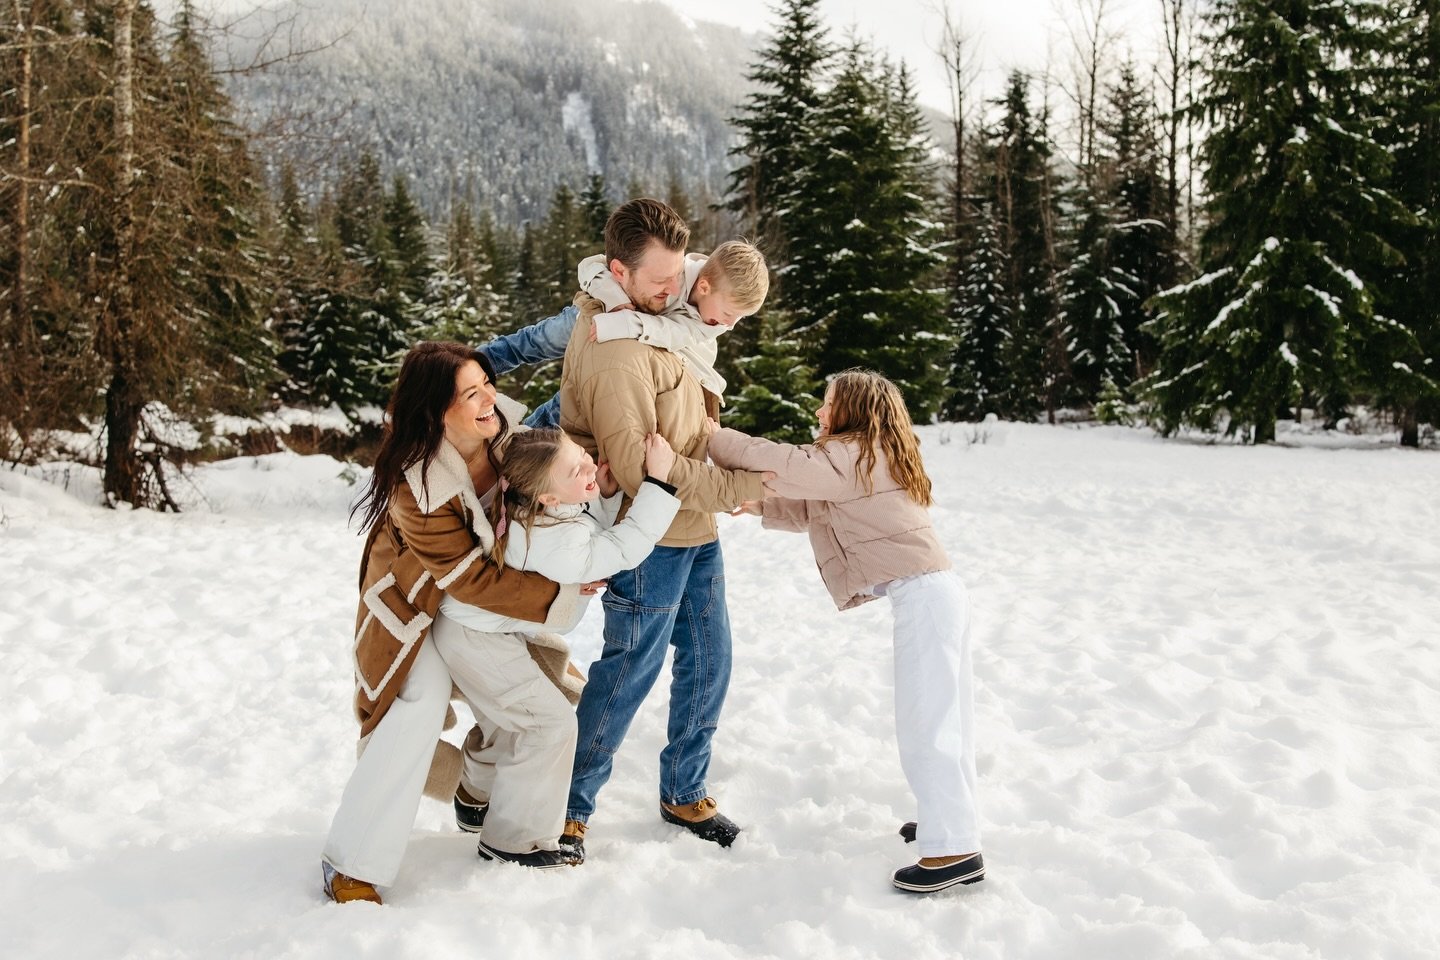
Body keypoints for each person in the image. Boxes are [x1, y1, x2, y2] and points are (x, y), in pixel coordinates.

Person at [322, 342, 593, 904]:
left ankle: (478, 796)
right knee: (414, 706)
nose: (489, 397)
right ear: (436, 411)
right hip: (414, 609)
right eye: (471, 393)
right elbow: (467, 579)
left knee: (525, 694)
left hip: (479, 609)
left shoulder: (508, 434)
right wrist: (559, 594)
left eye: (486, 383)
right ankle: (352, 863)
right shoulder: (417, 484)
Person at [705, 369, 985, 894]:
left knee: (928, 724)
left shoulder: (857, 453)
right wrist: (759, 505)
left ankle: (955, 850)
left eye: (826, 403)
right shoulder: (863, 457)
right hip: (931, 595)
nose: (818, 413)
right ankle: (947, 821)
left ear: (852, 410)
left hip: (926, 597)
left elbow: (785, 465)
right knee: (944, 718)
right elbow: (819, 509)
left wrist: (709, 435)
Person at [556, 198, 772, 863]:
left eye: (678, 274)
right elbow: (638, 472)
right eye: (660, 278)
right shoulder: (617, 351)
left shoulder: (664, 316)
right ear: (617, 271)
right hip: (647, 538)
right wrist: (747, 487)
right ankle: (565, 805)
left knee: (711, 660)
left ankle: (684, 789)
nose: (671, 287)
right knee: (629, 673)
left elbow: (689, 428)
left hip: (695, 528)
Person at [437, 426, 683, 865]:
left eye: (583, 456)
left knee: (510, 722)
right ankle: (513, 840)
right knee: (548, 725)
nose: (590, 466)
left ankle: (476, 798)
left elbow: (588, 532)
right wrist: (659, 482)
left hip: (483, 635)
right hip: (477, 642)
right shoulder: (552, 538)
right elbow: (622, 549)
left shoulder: (541, 510)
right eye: (577, 470)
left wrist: (601, 497)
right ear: (548, 496)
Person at [477, 239, 768, 428]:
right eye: (731, 314)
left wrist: (624, 324)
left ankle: (518, 442)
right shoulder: (670, 265)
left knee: (571, 401)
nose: (731, 325)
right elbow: (593, 268)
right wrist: (615, 301)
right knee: (538, 340)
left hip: (620, 351)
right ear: (704, 287)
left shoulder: (706, 326)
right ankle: (468, 367)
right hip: (596, 312)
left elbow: (670, 332)